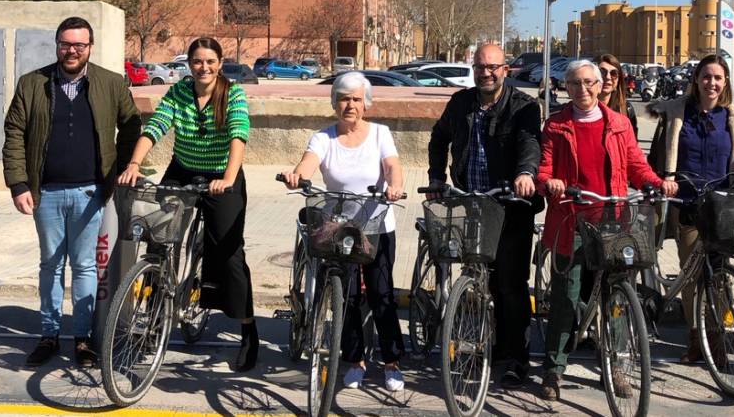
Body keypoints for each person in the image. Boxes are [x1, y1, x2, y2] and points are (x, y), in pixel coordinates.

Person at [3, 17, 141, 367]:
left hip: (90, 193)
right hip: (45, 193)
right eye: (66, 43)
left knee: (84, 267)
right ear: (57, 44)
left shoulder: (109, 83)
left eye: (79, 45)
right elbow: (14, 134)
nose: (72, 50)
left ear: (90, 47)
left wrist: (122, 169)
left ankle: (82, 339)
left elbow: (131, 126)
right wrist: (18, 184)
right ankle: (49, 335)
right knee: (50, 265)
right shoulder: (33, 83)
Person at [535, 60, 676, 401]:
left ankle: (617, 367)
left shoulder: (618, 124)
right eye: (573, 83)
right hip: (571, 220)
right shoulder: (556, 124)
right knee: (566, 297)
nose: (581, 89)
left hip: (612, 220)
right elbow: (544, 168)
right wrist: (549, 183)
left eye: (588, 82)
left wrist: (658, 183)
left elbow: (634, 164)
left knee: (617, 297)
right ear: (565, 88)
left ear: (600, 86)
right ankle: (554, 370)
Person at [117, 37, 257, 371]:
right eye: (197, 61)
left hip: (223, 174)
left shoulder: (232, 94)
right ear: (189, 64)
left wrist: (227, 177)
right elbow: (156, 125)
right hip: (183, 169)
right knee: (157, 236)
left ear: (220, 63)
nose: (203, 67)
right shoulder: (180, 92)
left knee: (229, 252)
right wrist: (135, 164)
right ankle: (151, 318)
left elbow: (239, 136)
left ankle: (248, 330)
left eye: (210, 61)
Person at [282, 72, 406, 392]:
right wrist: (297, 176)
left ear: (365, 103)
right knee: (347, 296)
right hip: (340, 230)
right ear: (334, 102)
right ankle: (355, 360)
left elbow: (392, 165)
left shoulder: (380, 133)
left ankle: (391, 362)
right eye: (343, 98)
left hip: (376, 225)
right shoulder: (323, 138)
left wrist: (395, 185)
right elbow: (308, 164)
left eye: (355, 98)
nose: (349, 104)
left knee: (381, 295)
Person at [428, 43, 541, 388]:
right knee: (476, 281)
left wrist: (525, 173)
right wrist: (436, 178)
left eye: (493, 67)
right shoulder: (461, 103)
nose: (486, 73)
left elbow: (529, 143)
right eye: (480, 67)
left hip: (509, 207)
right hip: (471, 204)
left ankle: (513, 357)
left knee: (509, 285)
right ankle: (476, 346)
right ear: (473, 69)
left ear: (505, 69)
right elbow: (439, 138)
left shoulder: (523, 106)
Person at [646, 54, 734, 362]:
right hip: (686, 204)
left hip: (723, 209)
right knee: (692, 275)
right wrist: (661, 182)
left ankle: (716, 337)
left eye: (718, 78)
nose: (712, 83)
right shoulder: (676, 114)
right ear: (696, 80)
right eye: (706, 77)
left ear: (726, 83)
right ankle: (696, 338)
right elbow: (656, 159)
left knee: (721, 276)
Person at [595, 54, 638, 139]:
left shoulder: (626, 109)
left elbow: (632, 146)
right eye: (602, 72)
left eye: (613, 73)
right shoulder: (582, 109)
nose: (607, 77)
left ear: (618, 80)